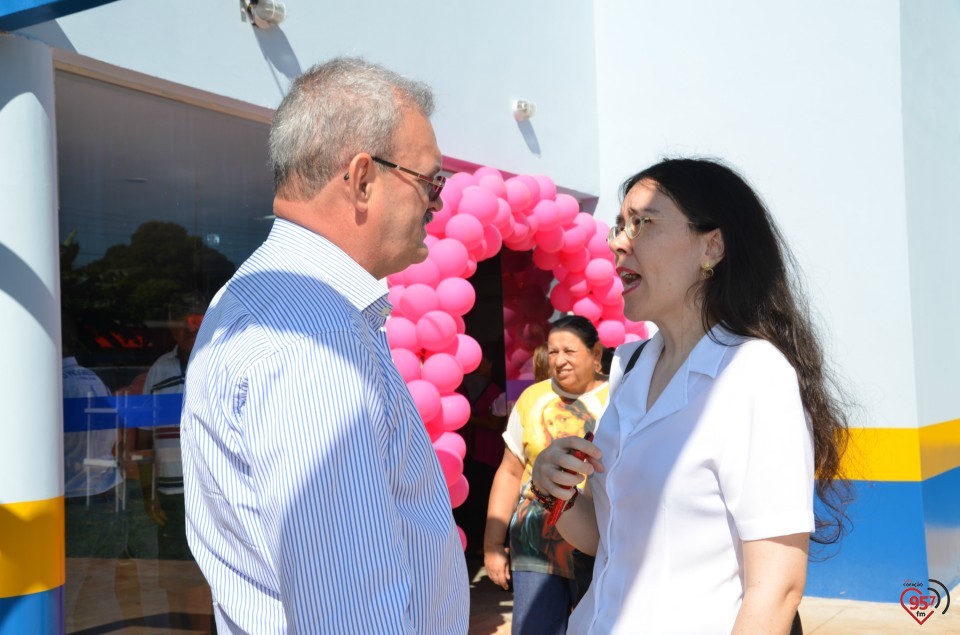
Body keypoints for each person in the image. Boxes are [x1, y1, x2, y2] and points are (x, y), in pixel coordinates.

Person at [179, 57, 468, 634]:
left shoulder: (275, 303)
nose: (437, 203)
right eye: (430, 181)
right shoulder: (313, 338)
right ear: (362, 179)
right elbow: (351, 612)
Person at [531, 158, 850, 634]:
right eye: (620, 225)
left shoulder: (753, 374)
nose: (619, 241)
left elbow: (776, 589)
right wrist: (550, 487)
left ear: (712, 246)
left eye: (644, 223)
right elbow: (604, 539)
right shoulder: (631, 364)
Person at [484, 315, 609, 635]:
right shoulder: (532, 398)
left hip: (597, 546)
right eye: (552, 352)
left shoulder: (619, 398)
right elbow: (509, 472)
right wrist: (493, 545)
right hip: (535, 544)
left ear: (596, 354)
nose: (559, 360)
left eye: (569, 351)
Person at [139, 290, 207, 559]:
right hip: (172, 497)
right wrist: (149, 495)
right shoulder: (159, 370)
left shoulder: (223, 360)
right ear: (170, 324)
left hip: (215, 494)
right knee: (173, 575)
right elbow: (144, 441)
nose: (189, 326)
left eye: (196, 317)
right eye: (181, 319)